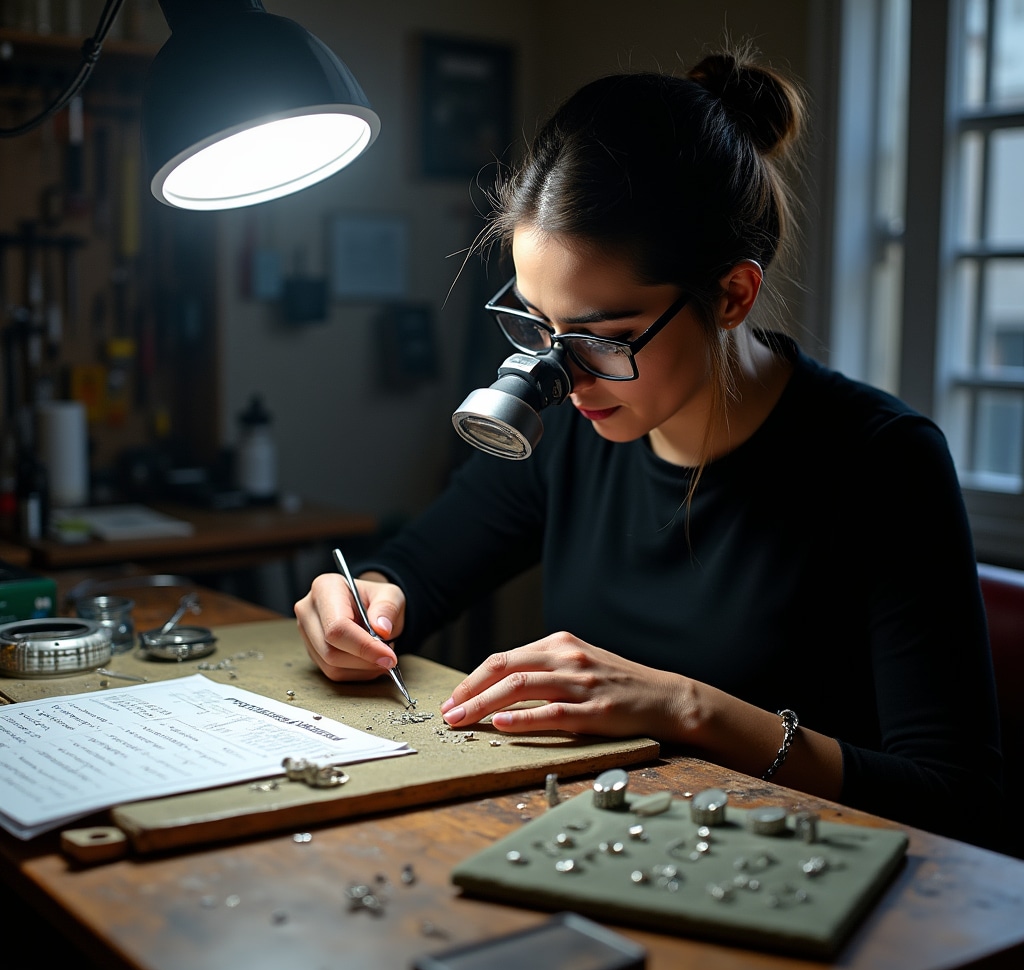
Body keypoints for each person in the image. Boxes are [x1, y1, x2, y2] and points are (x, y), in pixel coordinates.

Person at [295, 45, 1003, 844]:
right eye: (540, 325)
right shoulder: (576, 421)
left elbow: (958, 798)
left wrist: (693, 710)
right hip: (601, 844)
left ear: (732, 294)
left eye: (603, 337)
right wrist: (362, 601)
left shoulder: (883, 461)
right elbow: (417, 574)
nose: (562, 376)